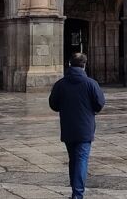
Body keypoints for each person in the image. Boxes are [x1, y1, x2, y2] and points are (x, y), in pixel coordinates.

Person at [49, 52, 106, 199]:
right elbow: (99, 104)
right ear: (84, 65)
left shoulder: (60, 84)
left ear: (69, 64)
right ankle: (77, 194)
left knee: (73, 159)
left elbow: (53, 104)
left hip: (68, 128)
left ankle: (75, 190)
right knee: (81, 160)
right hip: (85, 129)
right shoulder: (91, 83)